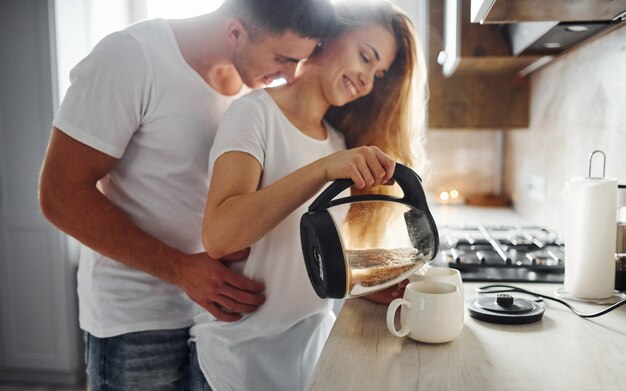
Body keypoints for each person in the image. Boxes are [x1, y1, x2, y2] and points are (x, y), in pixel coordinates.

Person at [38, 0, 335, 389]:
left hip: (216, 324)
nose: (290, 74)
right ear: (235, 32)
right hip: (138, 324)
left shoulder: (255, 92)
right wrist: (181, 269)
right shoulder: (131, 57)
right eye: (282, 58)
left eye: (299, 60)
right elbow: (60, 195)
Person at [191, 0, 427, 389]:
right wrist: (321, 171)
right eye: (366, 57)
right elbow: (219, 235)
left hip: (310, 352)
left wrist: (365, 285)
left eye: (378, 73)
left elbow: (308, 257)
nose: (368, 81)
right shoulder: (254, 114)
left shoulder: (338, 144)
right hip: (238, 359)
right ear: (330, 36)